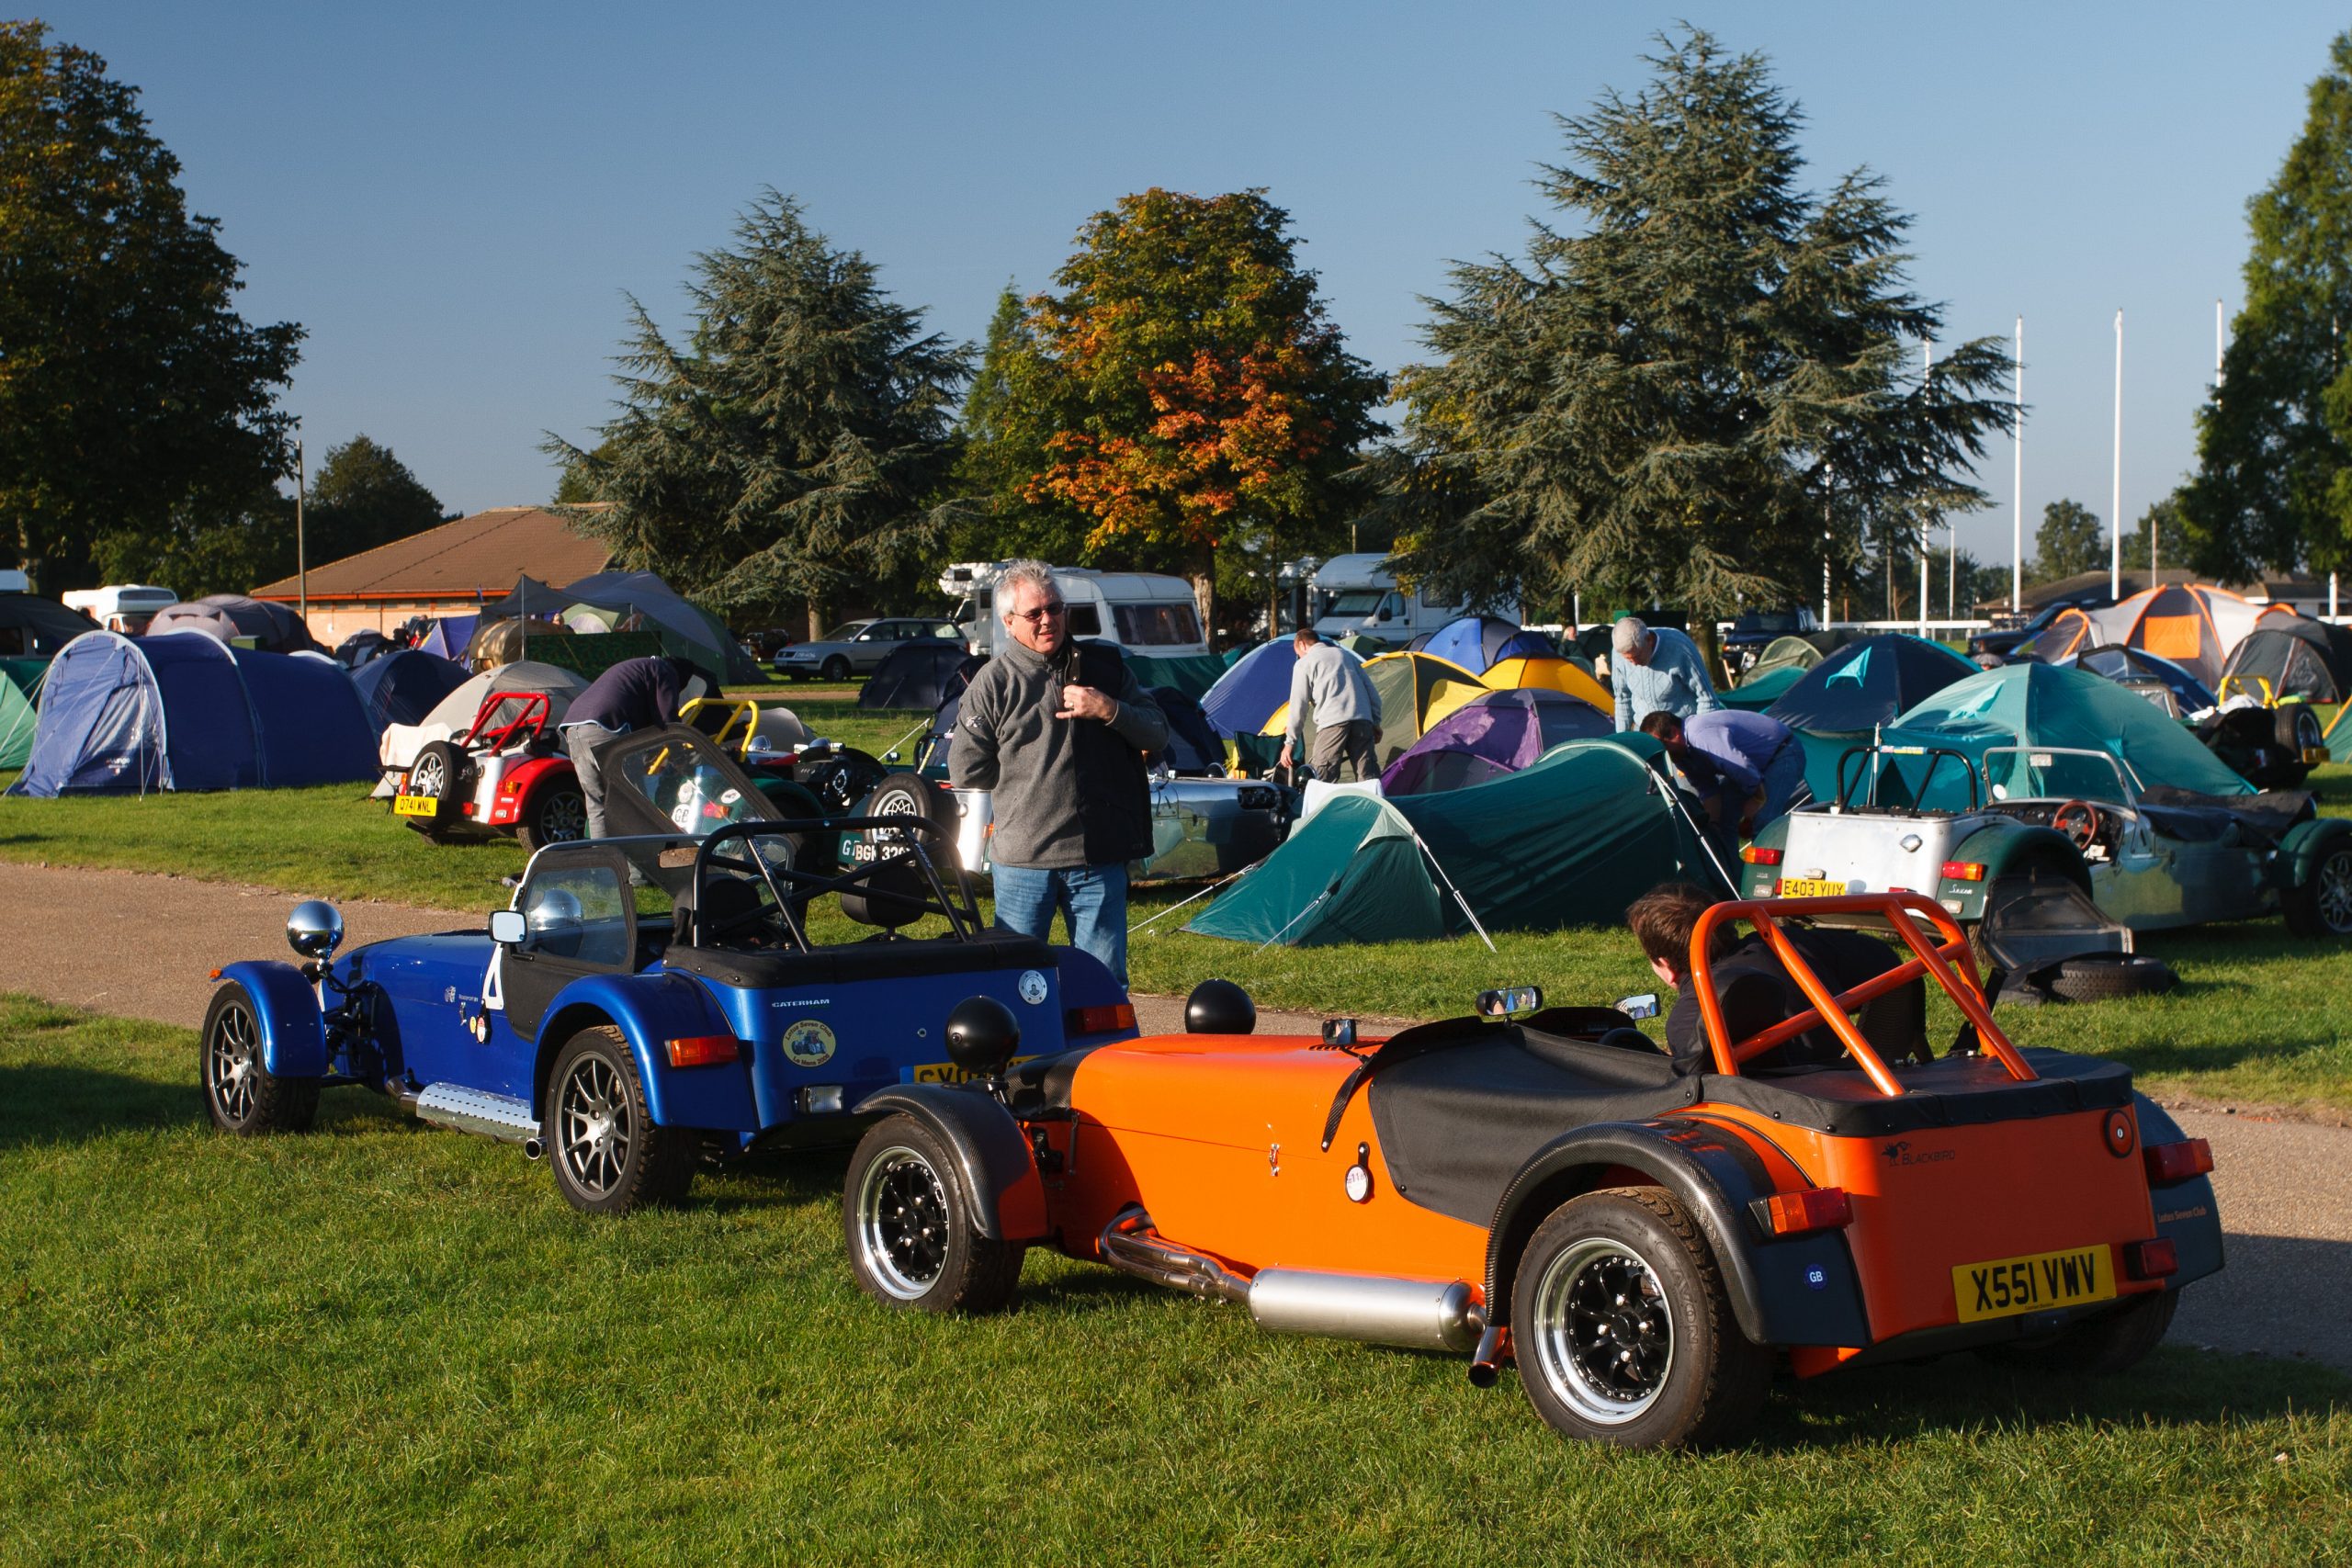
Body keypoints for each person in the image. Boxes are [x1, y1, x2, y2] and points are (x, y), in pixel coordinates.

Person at [950, 560, 1168, 987]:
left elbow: (1157, 733)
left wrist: (1109, 710)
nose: (1048, 620)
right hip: (1024, 862)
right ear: (1009, 622)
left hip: (1098, 859)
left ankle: (1097, 1056)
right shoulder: (992, 683)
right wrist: (1028, 782)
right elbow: (968, 768)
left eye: (1055, 608)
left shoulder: (1105, 667)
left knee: (1103, 986)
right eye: (1035, 614)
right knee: (1015, 984)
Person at [1625, 882, 1925, 1077]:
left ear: (1665, 964)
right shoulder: (1788, 943)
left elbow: (1690, 1090)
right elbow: (1883, 959)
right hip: (1854, 1073)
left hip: (1784, 1110)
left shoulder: (1692, 1012)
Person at [558, 655, 712, 840]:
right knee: (635, 804)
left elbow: (647, 727)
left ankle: (605, 864)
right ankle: (640, 867)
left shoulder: (640, 668)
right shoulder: (665, 670)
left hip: (573, 728)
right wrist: (681, 759)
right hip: (605, 727)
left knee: (597, 805)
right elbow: (669, 722)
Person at [1638, 708, 1807, 840]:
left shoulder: (1700, 734)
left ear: (1674, 734)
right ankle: (1733, 880)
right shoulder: (1680, 754)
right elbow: (1708, 790)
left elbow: (1741, 766)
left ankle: (1766, 881)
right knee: (1722, 826)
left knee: (1762, 822)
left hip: (1782, 753)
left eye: (1662, 746)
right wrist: (1713, 824)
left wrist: (1757, 800)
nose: (1664, 754)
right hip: (1752, 767)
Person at [1277, 628, 1384, 783]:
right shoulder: (1346, 655)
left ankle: (1324, 807)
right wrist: (1375, 722)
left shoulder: (1304, 663)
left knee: (1322, 778)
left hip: (1332, 723)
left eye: (1298, 653)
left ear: (1302, 644)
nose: (1298, 657)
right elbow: (1372, 694)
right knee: (1368, 777)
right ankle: (1375, 806)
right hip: (1362, 720)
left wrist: (1289, 743)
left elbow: (1298, 707)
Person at [1610, 616, 1720, 732]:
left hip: (1682, 731)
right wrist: (1622, 738)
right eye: (1628, 659)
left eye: (1637, 656)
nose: (1634, 663)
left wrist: (1700, 736)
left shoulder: (1680, 647)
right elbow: (1622, 699)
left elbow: (1707, 699)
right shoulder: (1618, 653)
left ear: (1649, 640)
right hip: (1644, 733)